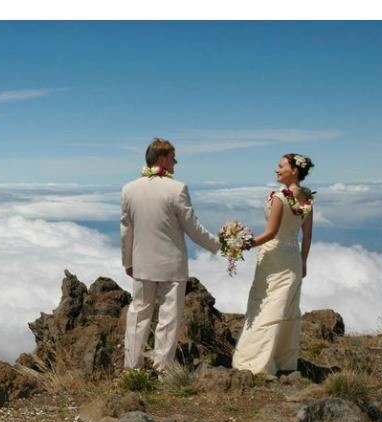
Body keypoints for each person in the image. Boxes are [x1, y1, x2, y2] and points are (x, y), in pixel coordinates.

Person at [120, 138, 221, 372]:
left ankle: (131, 367)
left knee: (138, 315)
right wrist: (219, 246)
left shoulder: (129, 189)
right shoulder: (177, 189)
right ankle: (162, 369)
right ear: (163, 159)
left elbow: (127, 230)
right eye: (173, 157)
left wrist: (127, 261)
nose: (176, 162)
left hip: (141, 263)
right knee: (168, 318)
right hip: (172, 265)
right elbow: (193, 229)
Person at [232, 153, 315, 375]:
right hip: (293, 259)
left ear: (294, 170)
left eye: (280, 166)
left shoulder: (280, 197)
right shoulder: (307, 198)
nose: (276, 170)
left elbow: (270, 234)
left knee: (266, 306)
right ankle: (284, 360)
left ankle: (255, 362)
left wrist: (243, 244)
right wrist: (303, 262)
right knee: (285, 307)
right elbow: (306, 237)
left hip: (273, 257)